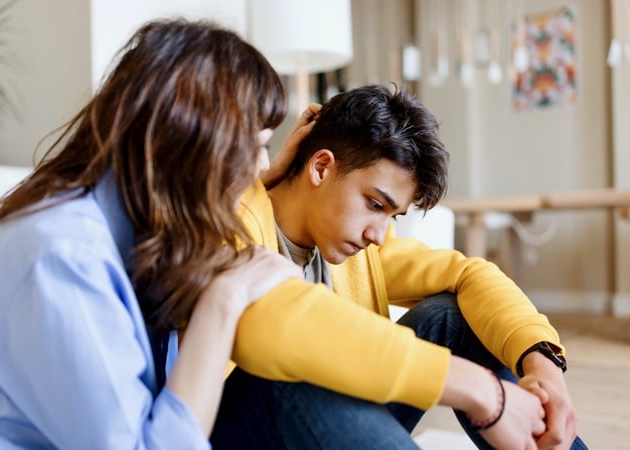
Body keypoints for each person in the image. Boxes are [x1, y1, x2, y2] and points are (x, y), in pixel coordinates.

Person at [0, 18, 302, 449]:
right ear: (190, 141)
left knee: (292, 384)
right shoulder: (60, 254)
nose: (262, 165)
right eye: (254, 142)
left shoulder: (143, 234)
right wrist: (222, 303)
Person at [212, 85, 587, 449]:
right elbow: (284, 330)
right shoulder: (230, 229)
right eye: (375, 204)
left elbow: (470, 274)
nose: (378, 234)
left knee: (450, 316)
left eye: (392, 214)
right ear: (321, 167)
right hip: (243, 429)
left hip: (329, 425)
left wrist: (543, 366)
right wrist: (480, 390)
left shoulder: (358, 250)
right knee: (296, 367)